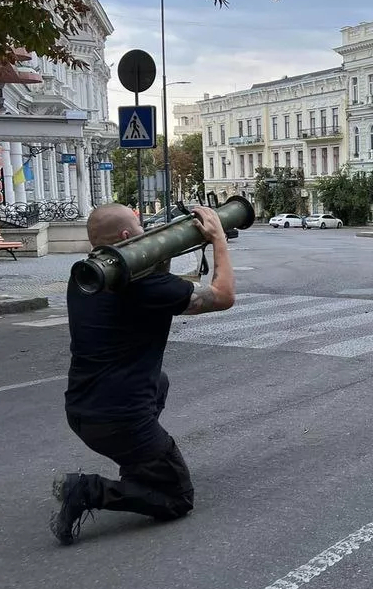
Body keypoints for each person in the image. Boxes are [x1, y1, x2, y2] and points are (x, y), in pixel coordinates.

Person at [50, 204, 236, 545]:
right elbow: (223, 296)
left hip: (81, 411)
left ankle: (139, 462)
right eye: (140, 227)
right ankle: (90, 490)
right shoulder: (144, 286)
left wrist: (164, 246)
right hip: (120, 421)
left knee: (159, 381)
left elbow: (156, 283)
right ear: (125, 237)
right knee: (178, 499)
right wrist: (218, 239)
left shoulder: (85, 276)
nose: (145, 232)